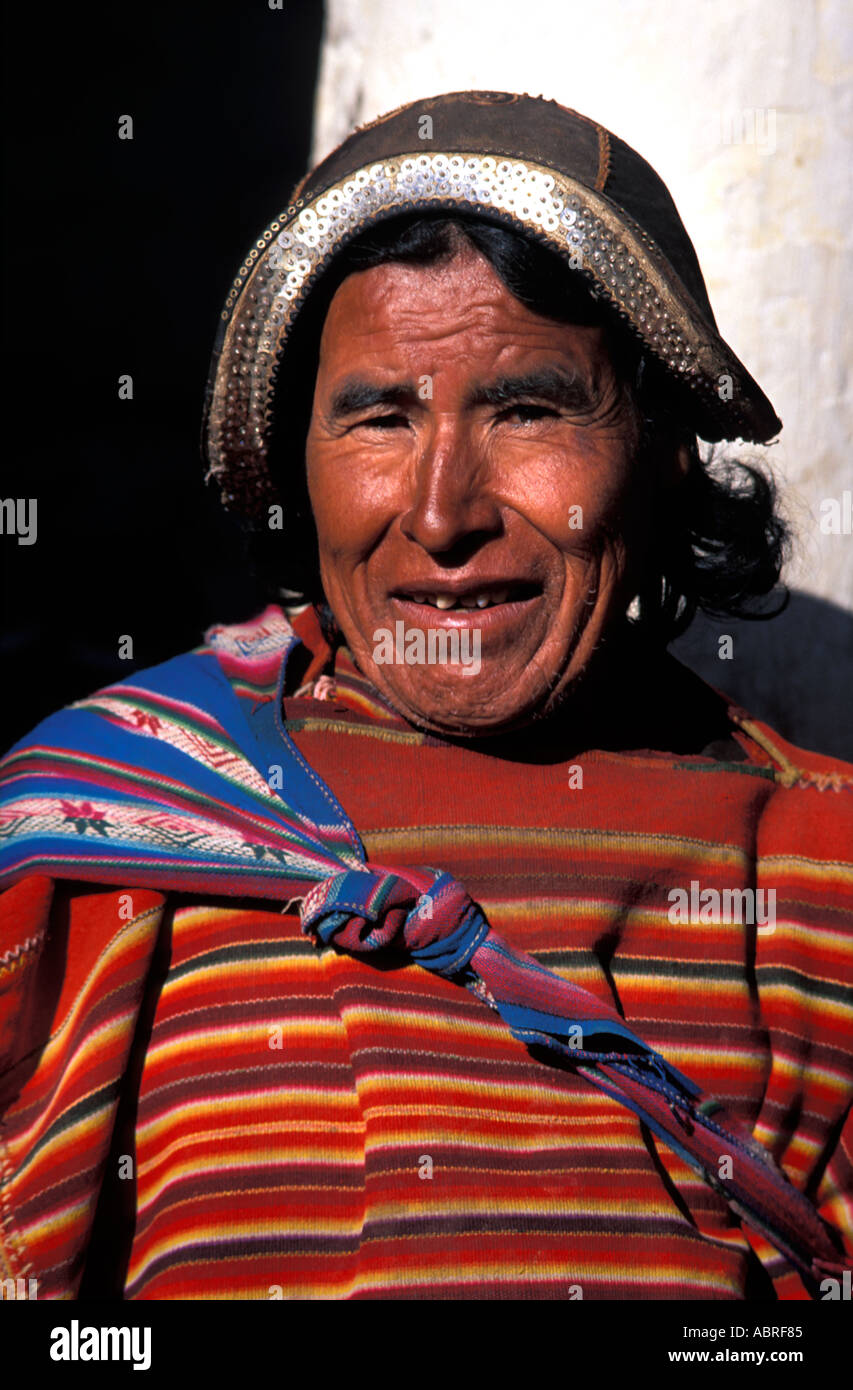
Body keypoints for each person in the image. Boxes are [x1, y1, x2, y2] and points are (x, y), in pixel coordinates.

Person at [1, 91, 850, 1303]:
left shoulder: (815, 867)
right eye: (378, 417)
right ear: (295, 461)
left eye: (528, 410)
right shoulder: (97, 827)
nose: (444, 512)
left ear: (664, 452)